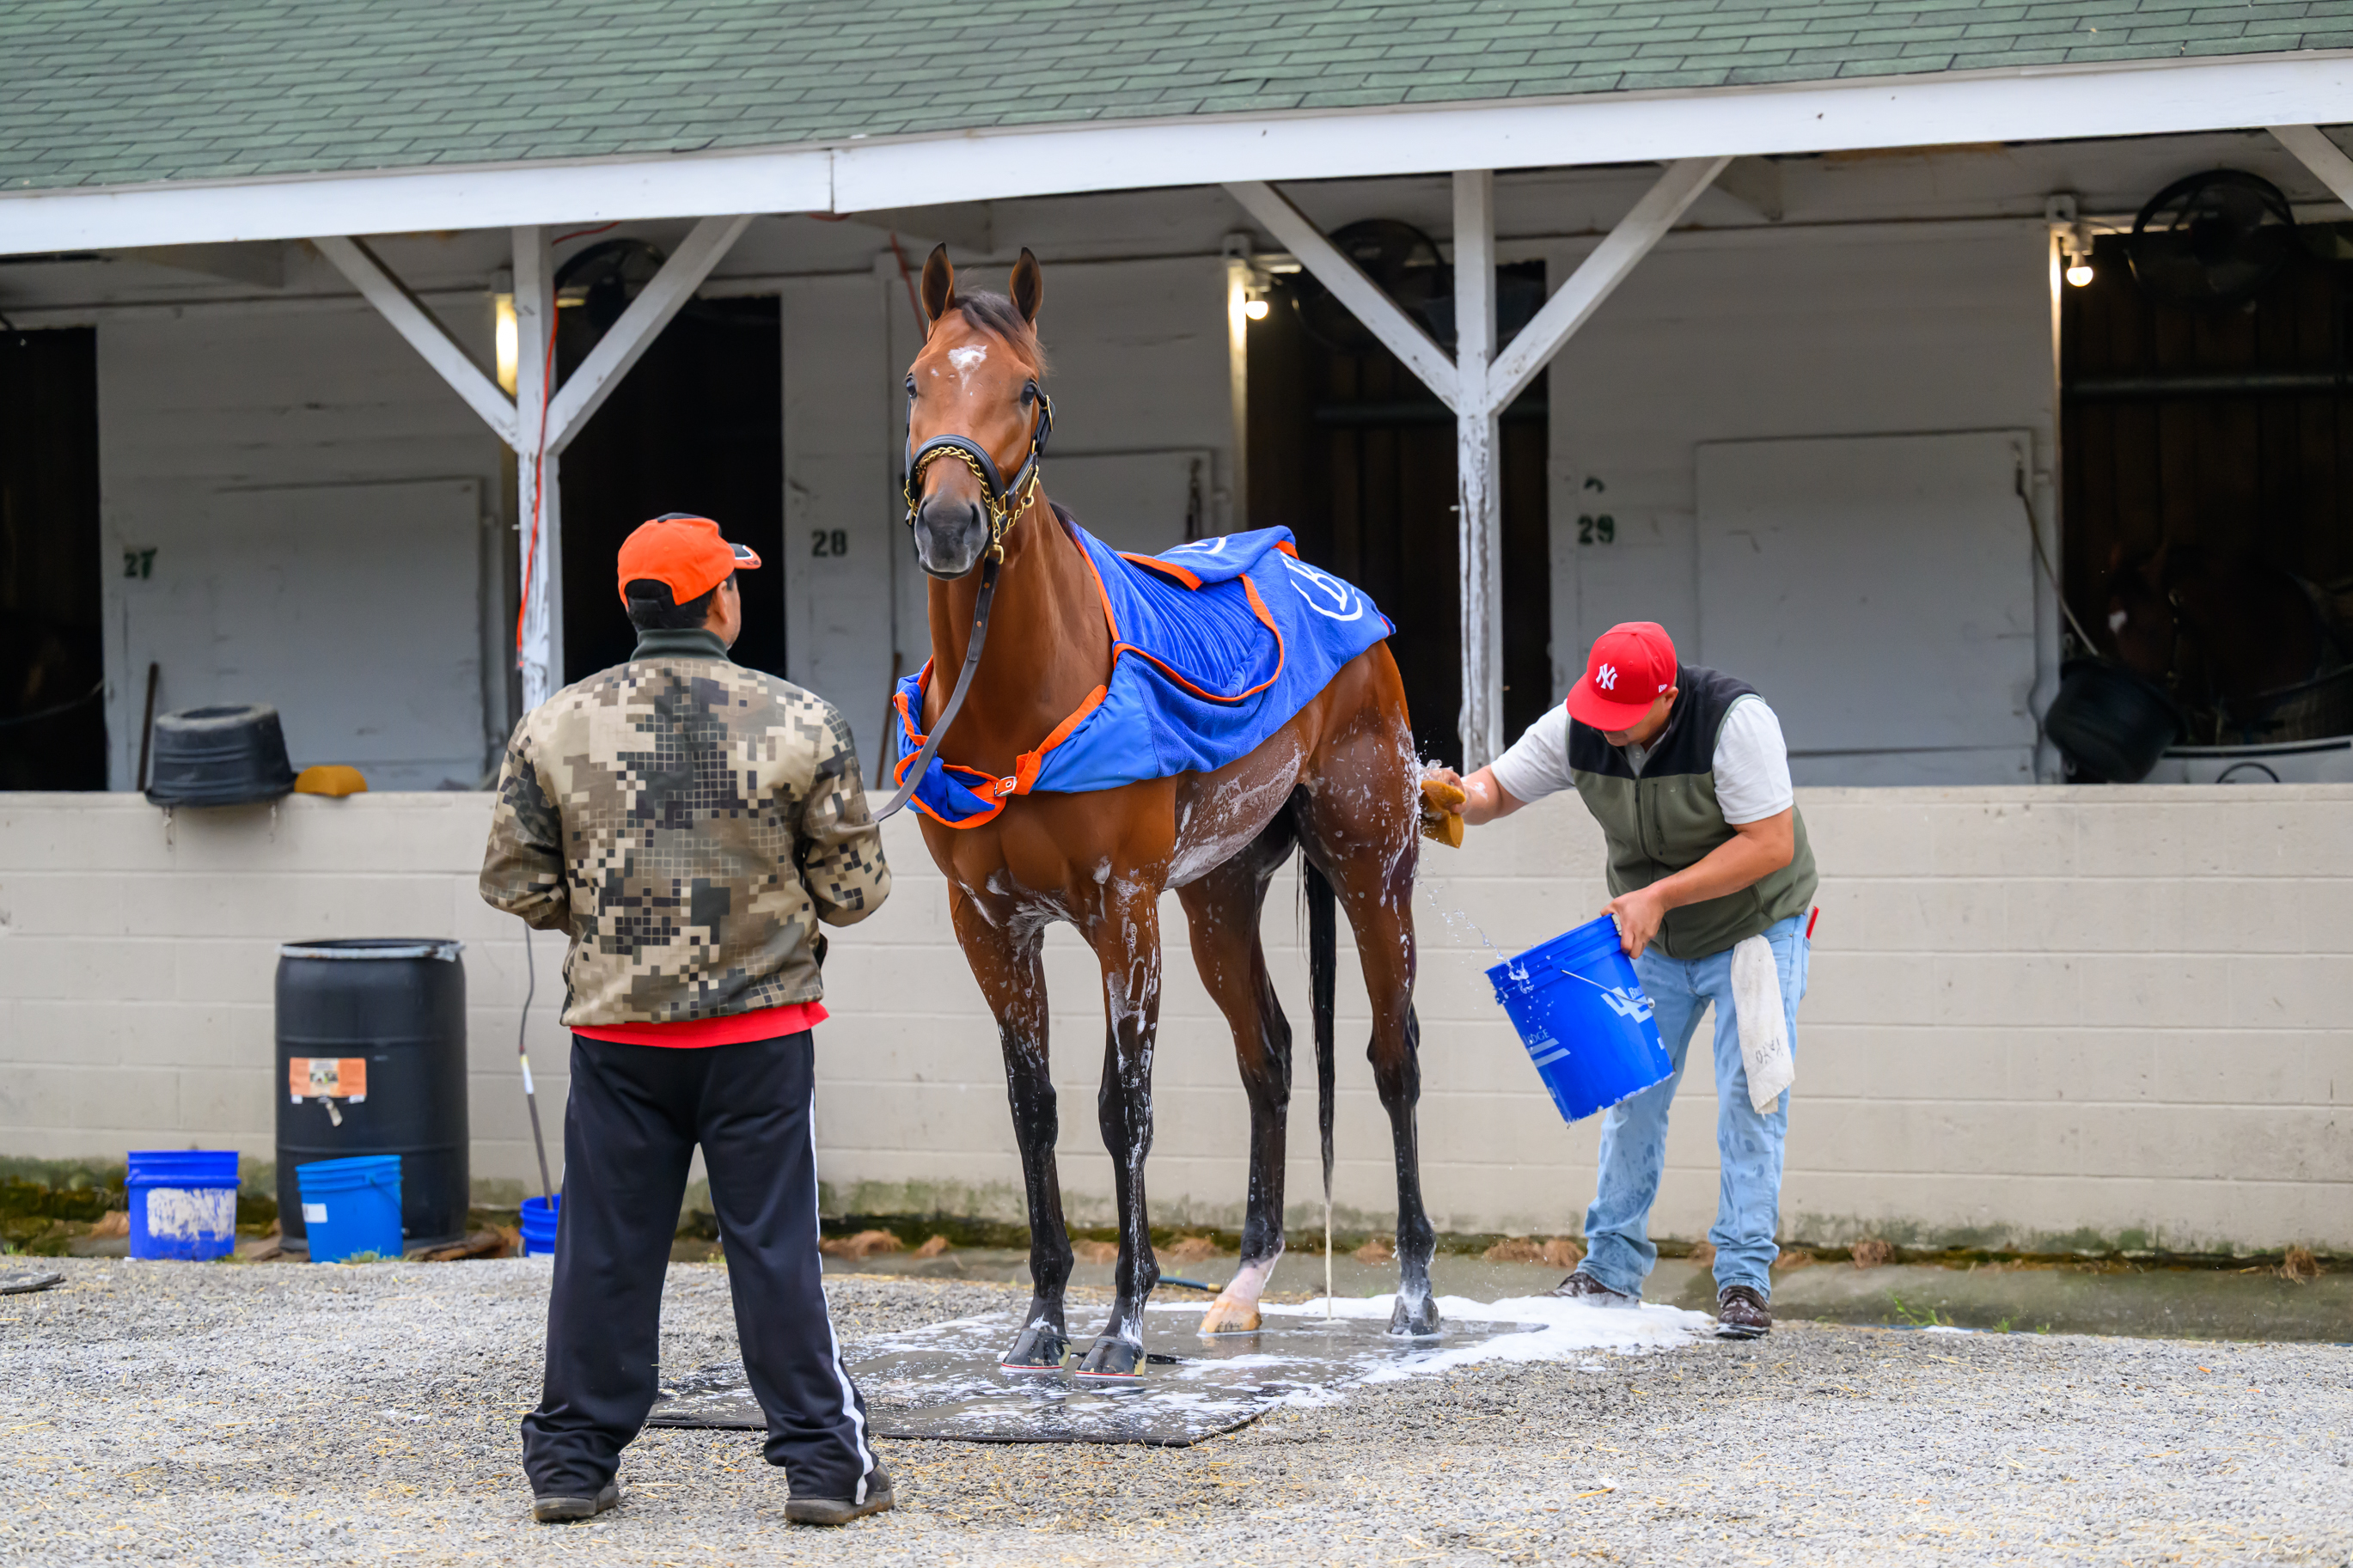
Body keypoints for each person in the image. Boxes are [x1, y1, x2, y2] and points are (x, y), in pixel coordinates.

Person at [480, 513, 894, 1523]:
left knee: (603, 1251)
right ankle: (823, 1468)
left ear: (635, 604)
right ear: (720, 601)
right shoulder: (802, 720)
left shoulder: (554, 723)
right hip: (758, 1039)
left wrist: (611, 921)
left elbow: (513, 881)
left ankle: (572, 1463)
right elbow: (853, 894)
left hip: (617, 1036)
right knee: (774, 1251)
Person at [1431, 620, 1815, 1340]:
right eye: (1599, 711)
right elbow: (1498, 789)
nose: (1607, 728)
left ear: (1668, 696)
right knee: (1631, 1091)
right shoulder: (1580, 723)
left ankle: (1743, 1278)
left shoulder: (1734, 724)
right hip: (1659, 936)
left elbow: (1771, 843)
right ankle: (1610, 1267)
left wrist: (1659, 895)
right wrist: (1458, 795)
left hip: (1755, 930)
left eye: (1625, 716)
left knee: (1751, 1098)